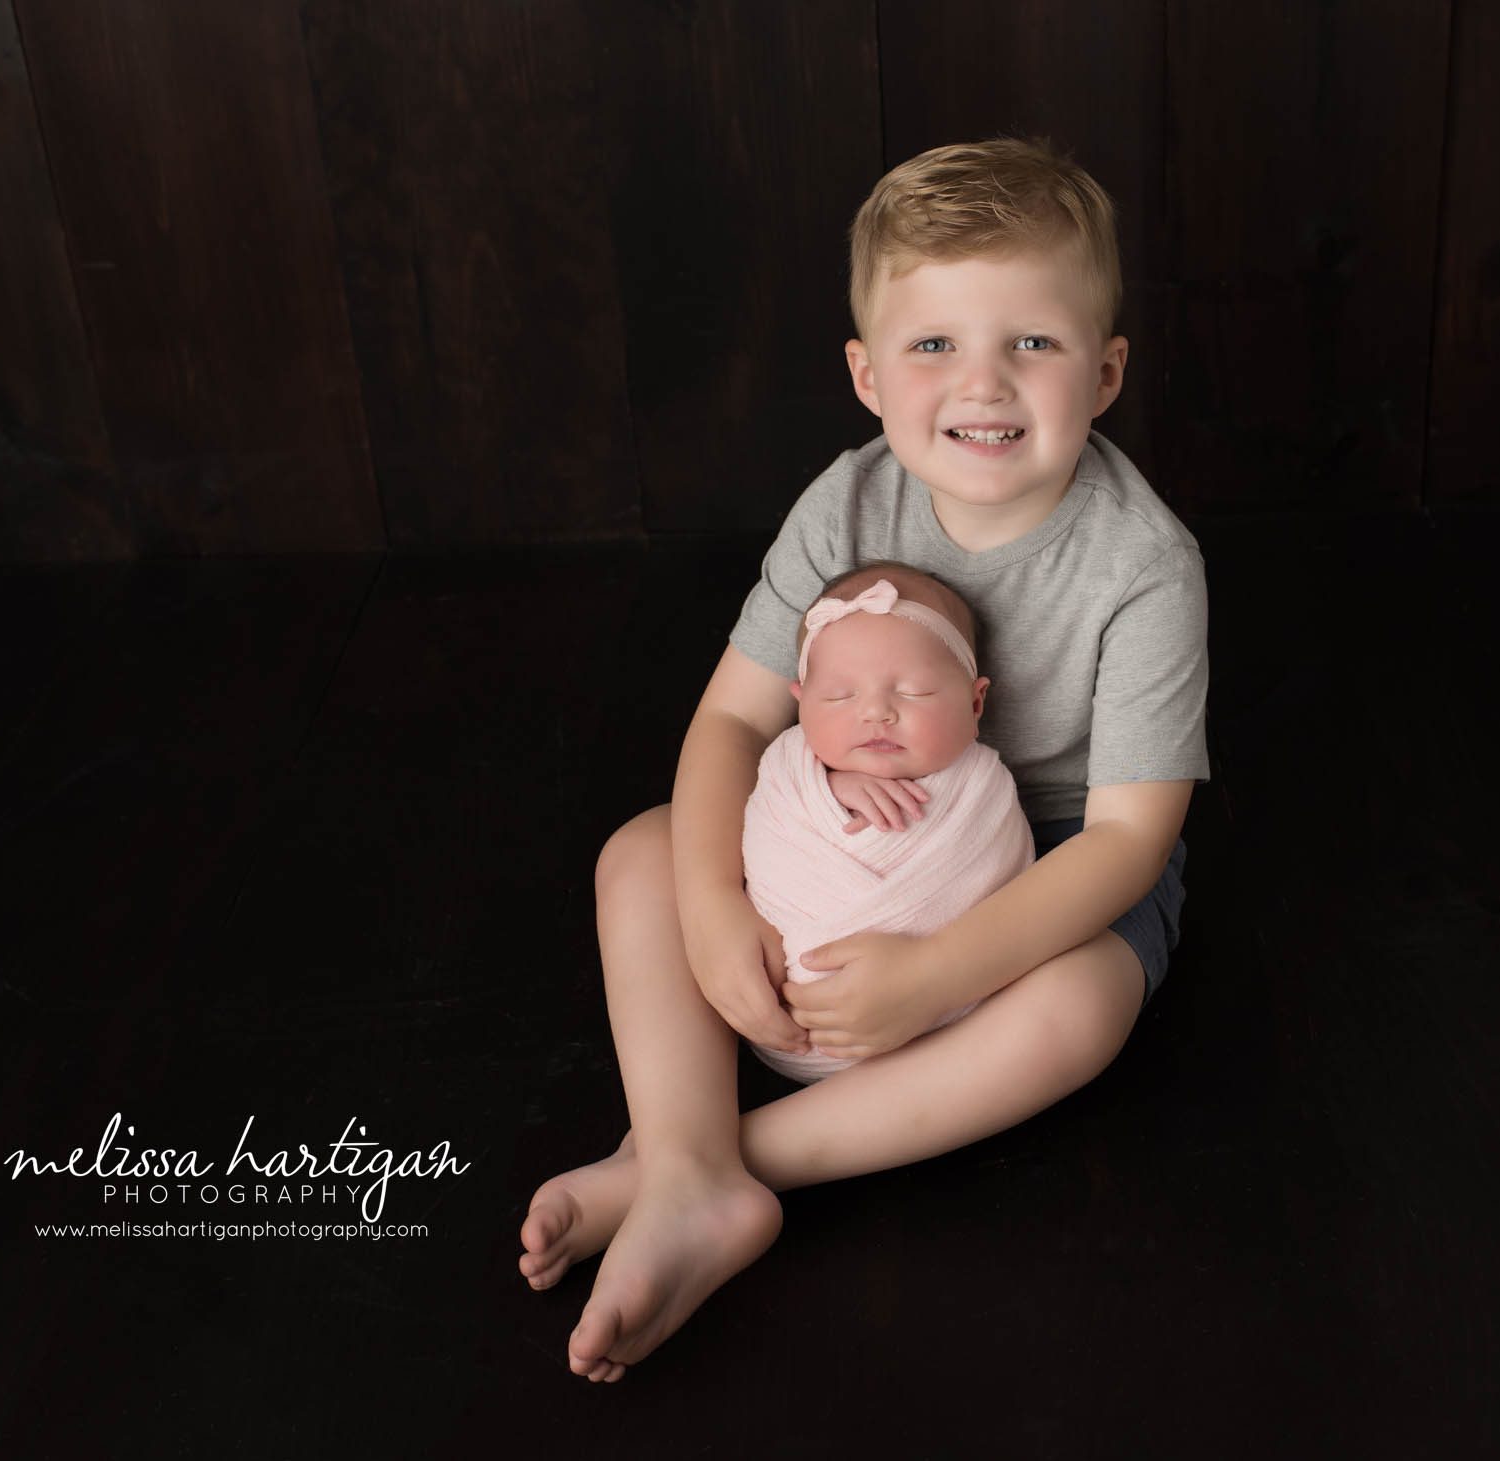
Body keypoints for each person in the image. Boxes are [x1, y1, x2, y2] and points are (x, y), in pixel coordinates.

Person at [518, 136, 1210, 1383]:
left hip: (1042, 855)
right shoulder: (843, 503)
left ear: (1104, 373)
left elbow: (1128, 838)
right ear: (866, 374)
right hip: (834, 812)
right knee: (641, 852)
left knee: (1084, 1010)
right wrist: (716, 905)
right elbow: (732, 723)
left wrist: (940, 969)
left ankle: (718, 1159)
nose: (983, 384)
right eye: (934, 344)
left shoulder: (1144, 565)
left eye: (1033, 344)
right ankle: (687, 1166)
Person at [743, 563, 1034, 1085]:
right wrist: (828, 787)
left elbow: (1001, 887)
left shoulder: (984, 788)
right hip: (782, 1014)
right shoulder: (787, 767)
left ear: (975, 702)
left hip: (943, 1023)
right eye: (838, 695)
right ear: (801, 704)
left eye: (916, 692)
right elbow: (766, 833)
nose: (876, 712)